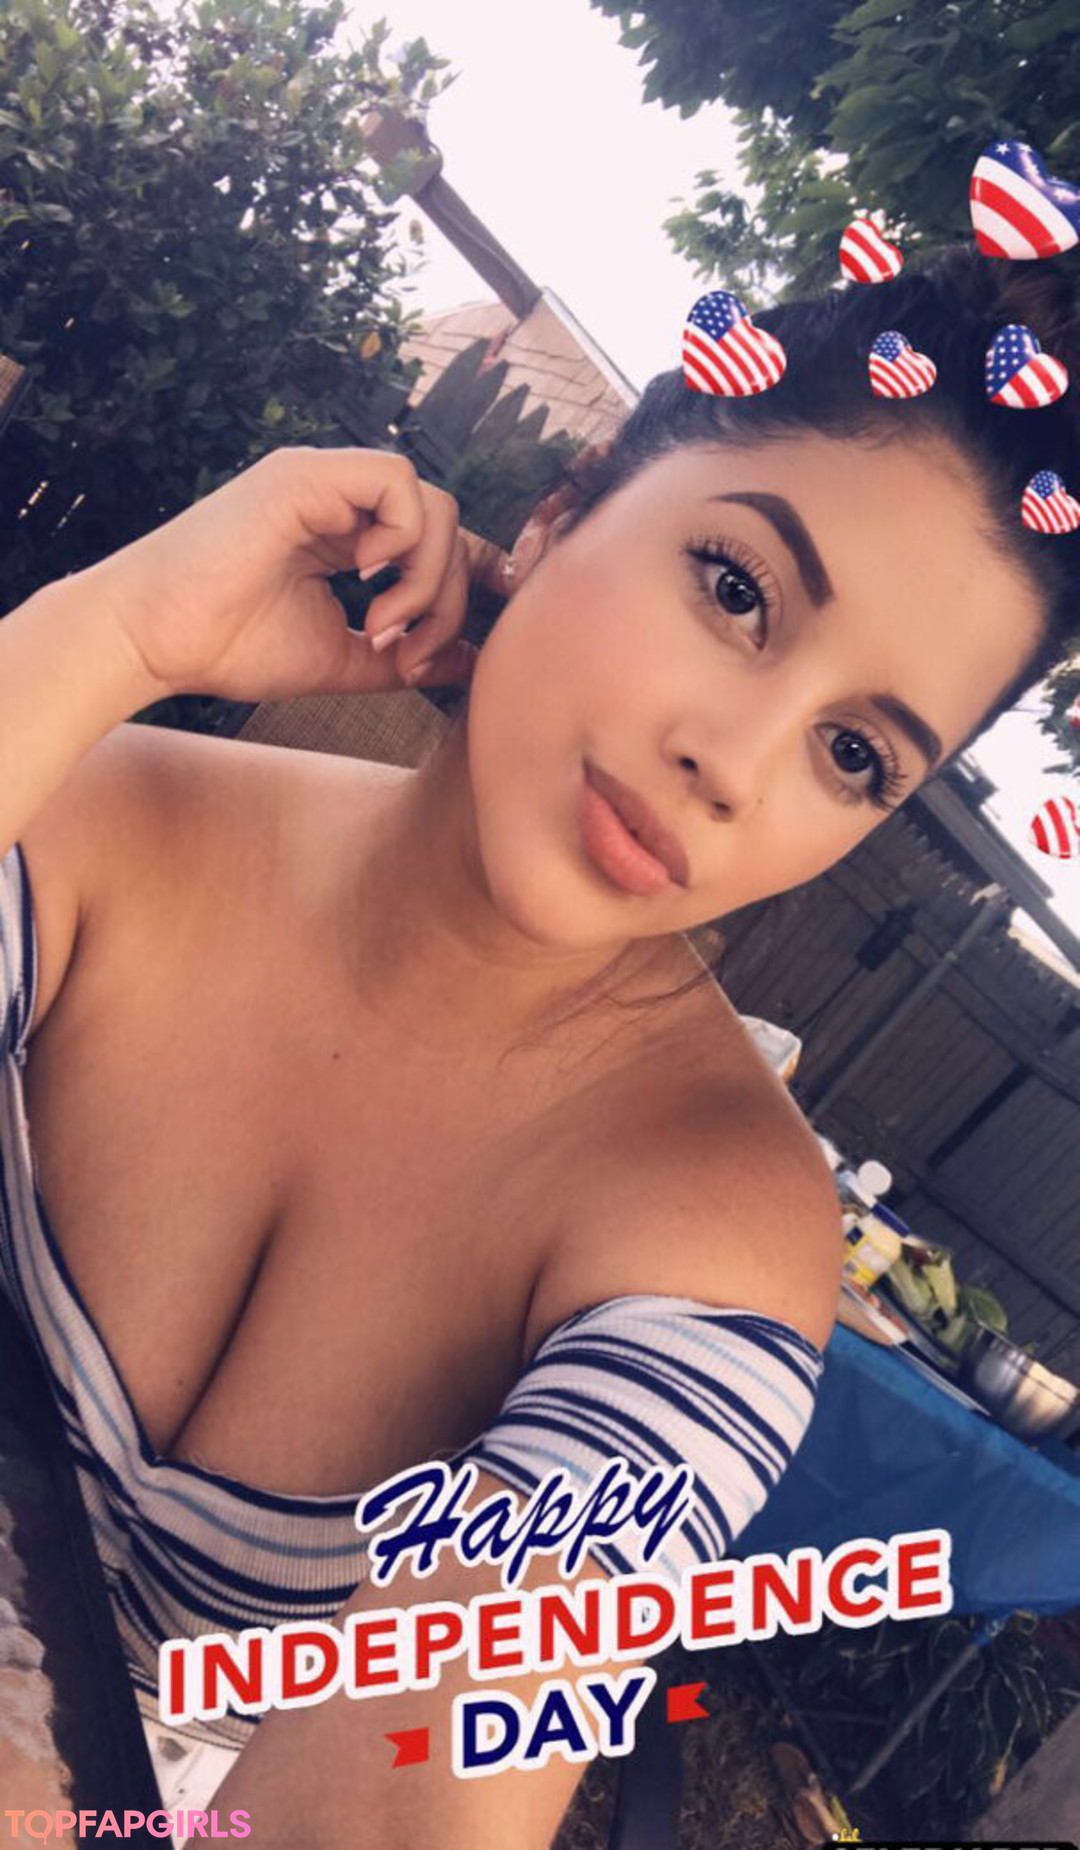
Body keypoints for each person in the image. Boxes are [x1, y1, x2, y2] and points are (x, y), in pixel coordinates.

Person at [0, 242, 1076, 1845]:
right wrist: (118, 632)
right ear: (566, 512)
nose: (733, 762)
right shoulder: (94, 827)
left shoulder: (712, 1227)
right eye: (736, 590)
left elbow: (405, 1807)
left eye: (855, 752)